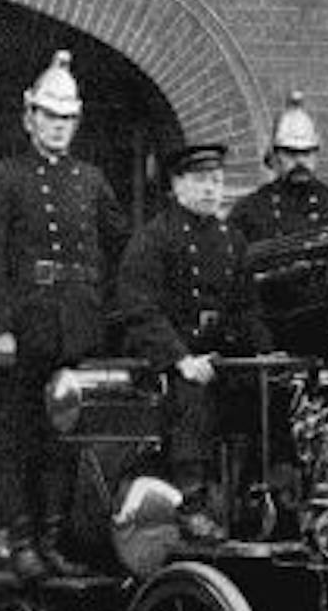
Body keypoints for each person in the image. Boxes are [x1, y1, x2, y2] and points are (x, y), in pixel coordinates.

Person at [0, 49, 130, 582]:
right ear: (29, 118)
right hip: (27, 324)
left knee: (67, 437)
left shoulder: (90, 180)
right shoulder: (4, 178)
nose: (58, 128)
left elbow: (122, 244)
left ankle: (55, 539)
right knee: (23, 436)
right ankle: (21, 539)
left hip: (78, 325)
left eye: (67, 120)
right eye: (49, 117)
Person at [115, 142, 275, 540]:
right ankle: (191, 502)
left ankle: (255, 496)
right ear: (178, 184)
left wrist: (267, 354)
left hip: (217, 357)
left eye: (217, 181)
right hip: (166, 362)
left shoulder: (231, 241)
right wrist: (179, 357)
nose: (211, 190)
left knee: (265, 394)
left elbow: (246, 308)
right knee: (191, 394)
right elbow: (139, 308)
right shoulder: (154, 238)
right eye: (201, 181)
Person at [227, 89, 328, 244]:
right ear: (276, 156)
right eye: (291, 153)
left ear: (316, 155)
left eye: (306, 153)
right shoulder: (250, 212)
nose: (300, 161)